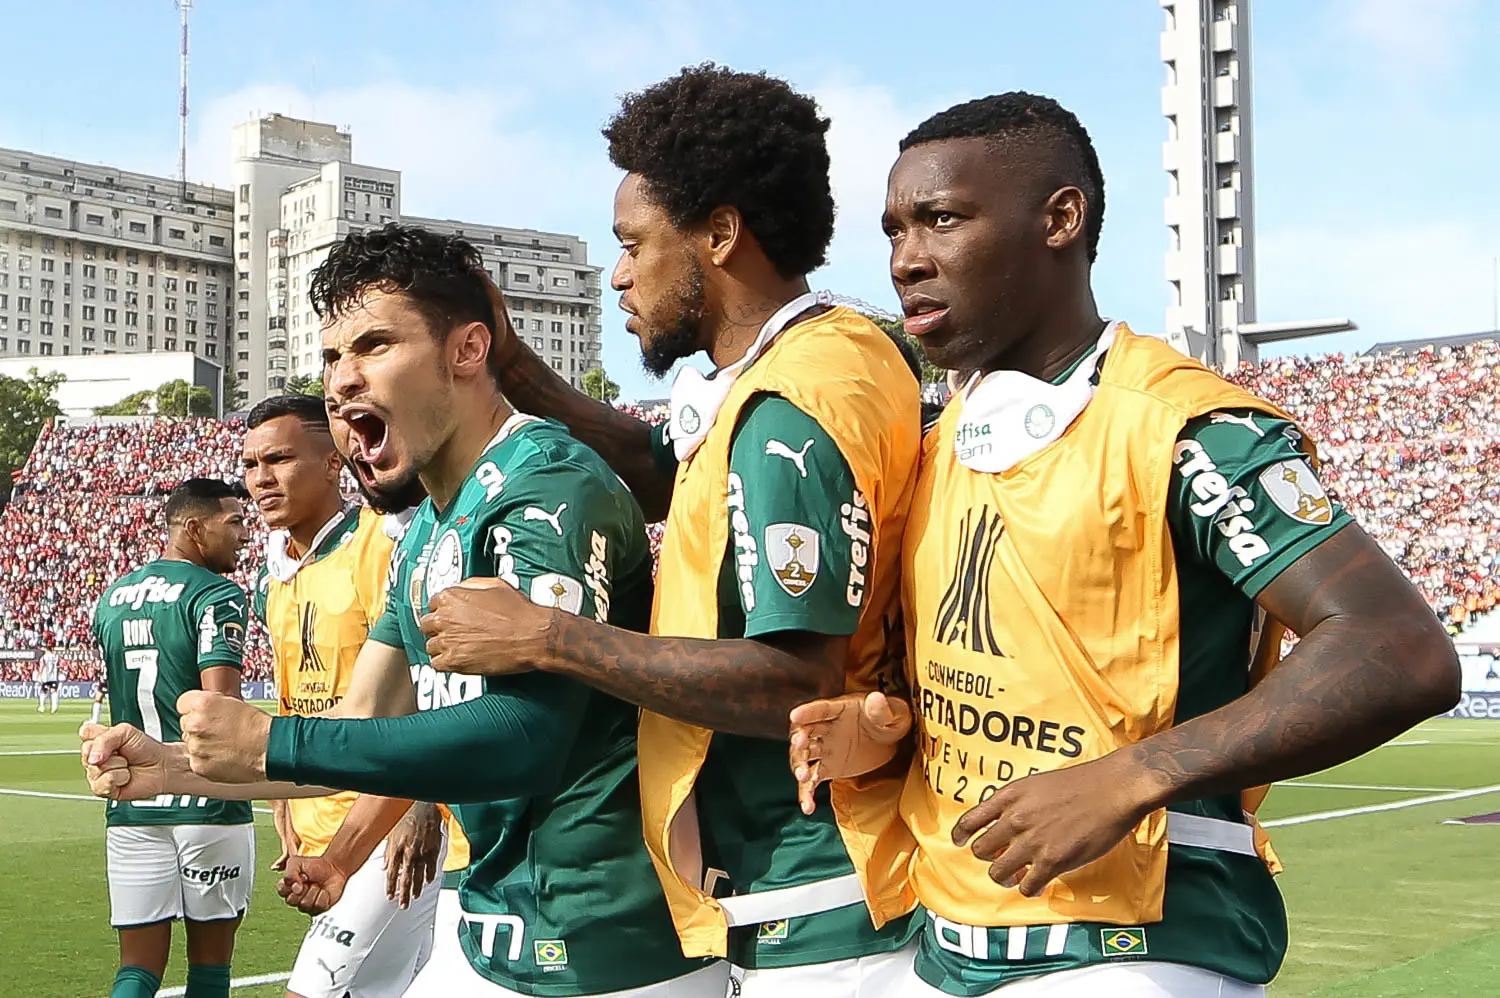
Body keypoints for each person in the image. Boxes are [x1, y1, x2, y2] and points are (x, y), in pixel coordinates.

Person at [786, 92, 1462, 996]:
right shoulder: (940, 443)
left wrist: (1129, 777)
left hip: (1139, 952)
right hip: (947, 951)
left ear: (1061, 219)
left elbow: (1400, 650)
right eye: (895, 231)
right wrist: (887, 726)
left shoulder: (1184, 426)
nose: (908, 259)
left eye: (941, 220)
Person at [82, 223, 725, 998]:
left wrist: (274, 739)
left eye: (375, 345)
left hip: (605, 944)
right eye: (331, 357)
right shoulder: (423, 528)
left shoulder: (548, 481)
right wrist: (176, 769)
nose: (342, 379)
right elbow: (355, 729)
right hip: (490, 923)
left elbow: (529, 737)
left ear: (467, 350)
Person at [416, 65, 922, 995]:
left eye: (632, 244)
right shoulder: (800, 366)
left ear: (720, 234)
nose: (618, 274)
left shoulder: (790, 406)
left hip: (826, 901)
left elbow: (796, 684)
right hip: (793, 895)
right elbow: (665, 477)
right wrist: (516, 366)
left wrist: (552, 638)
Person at [241, 392, 449, 998]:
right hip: (318, 819)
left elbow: (425, 685)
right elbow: (290, 697)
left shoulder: (381, 547)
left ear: (334, 461)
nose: (261, 479)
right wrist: (285, 804)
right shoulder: (274, 573)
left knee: (311, 990)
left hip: (385, 823)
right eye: (251, 465)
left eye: (278, 459)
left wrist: (421, 803)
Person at [89, 477, 254, 998]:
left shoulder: (112, 598)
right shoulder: (217, 594)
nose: (244, 535)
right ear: (195, 528)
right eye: (233, 522)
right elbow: (221, 708)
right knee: (210, 970)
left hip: (133, 804)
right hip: (207, 801)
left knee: (136, 971)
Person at [36, 644, 61, 713]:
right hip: (54, 677)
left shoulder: (44, 657)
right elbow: (58, 666)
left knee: (43, 691)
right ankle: (54, 707)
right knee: (53, 691)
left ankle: (42, 706)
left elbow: (41, 666)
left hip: (46, 677)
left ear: (46, 649)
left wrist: (39, 675)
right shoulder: (55, 656)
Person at [91, 661, 110, 725]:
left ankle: (95, 720)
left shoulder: (105, 660)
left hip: (107, 681)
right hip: (103, 682)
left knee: (110, 701)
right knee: (98, 699)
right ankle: (95, 720)